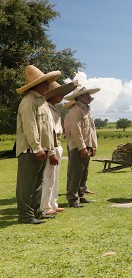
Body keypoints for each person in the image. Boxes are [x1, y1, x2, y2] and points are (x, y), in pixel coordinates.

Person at [15, 65, 61, 224]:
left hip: (42, 149)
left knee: (38, 183)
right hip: (31, 150)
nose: (48, 86)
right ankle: (25, 215)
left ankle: (35, 212)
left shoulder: (41, 102)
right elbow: (30, 127)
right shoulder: (28, 101)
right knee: (27, 184)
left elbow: (47, 129)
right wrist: (37, 148)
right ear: (37, 85)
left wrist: (50, 149)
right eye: (45, 83)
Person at [40, 80, 78, 217]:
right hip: (52, 145)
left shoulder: (53, 108)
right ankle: (44, 206)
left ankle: (53, 204)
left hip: (57, 145)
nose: (62, 96)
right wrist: (51, 151)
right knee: (48, 177)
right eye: (59, 93)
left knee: (55, 177)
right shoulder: (47, 109)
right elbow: (48, 131)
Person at [64, 85, 100, 208]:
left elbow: (92, 130)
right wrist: (82, 147)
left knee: (83, 173)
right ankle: (72, 199)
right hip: (78, 146)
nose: (89, 97)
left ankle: (81, 195)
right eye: (87, 94)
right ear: (80, 97)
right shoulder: (76, 110)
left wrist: (93, 145)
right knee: (75, 173)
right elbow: (76, 130)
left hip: (87, 145)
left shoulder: (87, 110)